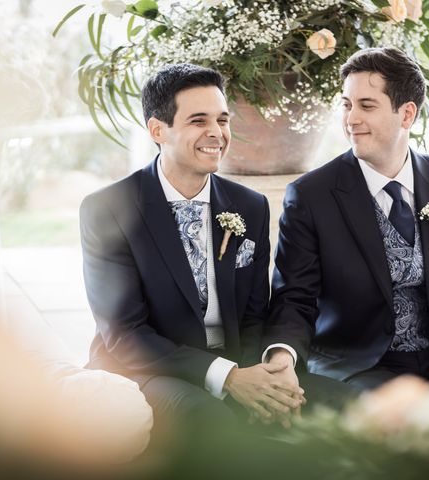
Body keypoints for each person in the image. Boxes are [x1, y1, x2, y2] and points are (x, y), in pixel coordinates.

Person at [262, 47, 429, 396]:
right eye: (346, 104)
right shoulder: (311, 195)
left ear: (407, 114)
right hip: (361, 368)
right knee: (403, 425)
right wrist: (282, 358)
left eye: (366, 106)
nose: (351, 119)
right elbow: (294, 298)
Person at [80, 64, 314, 442]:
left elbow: (255, 314)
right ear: (158, 130)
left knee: (319, 403)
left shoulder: (249, 206)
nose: (216, 133)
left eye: (222, 119)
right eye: (198, 120)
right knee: (209, 419)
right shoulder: (108, 209)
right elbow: (125, 335)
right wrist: (228, 377)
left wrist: (261, 376)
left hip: (236, 365)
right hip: (144, 370)